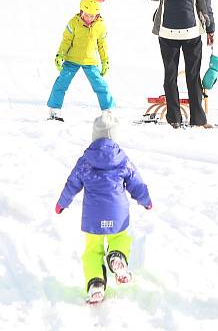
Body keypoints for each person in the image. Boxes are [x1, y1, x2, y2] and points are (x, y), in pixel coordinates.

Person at [55, 113, 152, 303]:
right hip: (118, 214)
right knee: (120, 238)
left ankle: (96, 284)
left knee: (93, 250)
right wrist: (145, 200)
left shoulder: (85, 161)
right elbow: (136, 182)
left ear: (94, 135)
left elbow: (71, 184)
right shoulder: (122, 159)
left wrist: (61, 204)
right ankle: (118, 258)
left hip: (93, 216)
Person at [148, 0, 215, 128]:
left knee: (170, 75)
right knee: (193, 75)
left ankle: (174, 119)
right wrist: (211, 29)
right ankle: (198, 120)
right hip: (191, 30)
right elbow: (204, 1)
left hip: (167, 31)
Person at [47, 0, 113, 122]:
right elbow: (66, 41)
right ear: (81, 11)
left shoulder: (100, 26)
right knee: (61, 83)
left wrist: (105, 61)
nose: (88, 18)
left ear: (97, 15)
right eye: (86, 14)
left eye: (92, 16)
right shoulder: (73, 23)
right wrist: (60, 55)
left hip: (90, 61)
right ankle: (54, 110)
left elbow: (102, 45)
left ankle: (107, 111)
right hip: (72, 59)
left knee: (100, 85)